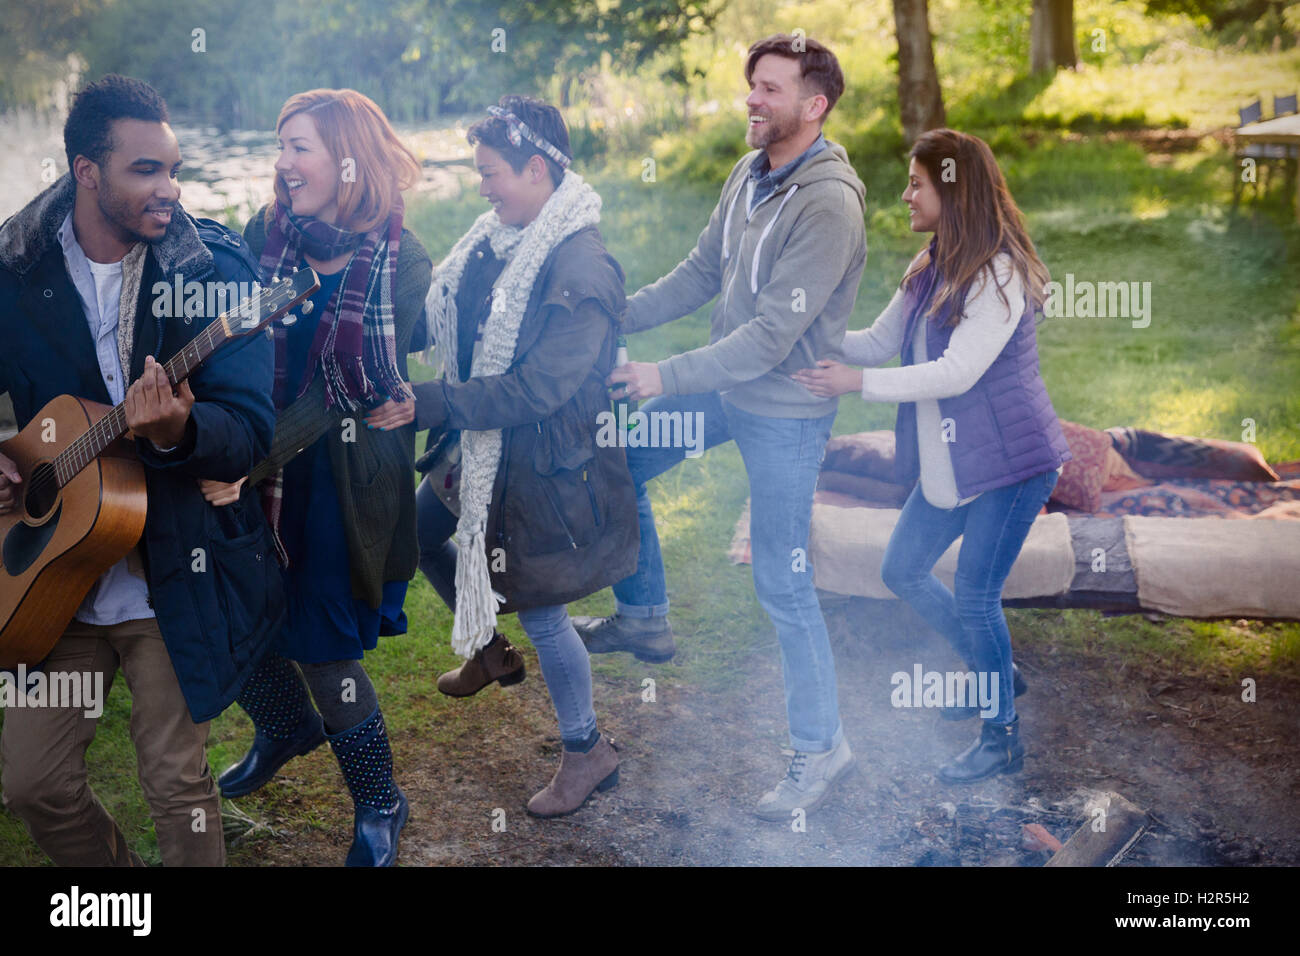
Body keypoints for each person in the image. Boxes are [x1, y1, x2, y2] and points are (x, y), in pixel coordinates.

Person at [573, 34, 867, 821]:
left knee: (781, 580)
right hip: (728, 394)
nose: (752, 100)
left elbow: (773, 335)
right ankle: (644, 618)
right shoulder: (751, 173)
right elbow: (704, 271)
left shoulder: (829, 202)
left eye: (769, 89)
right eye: (751, 86)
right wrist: (613, 317)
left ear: (815, 105)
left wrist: (663, 375)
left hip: (785, 415)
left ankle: (821, 748)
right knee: (623, 455)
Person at [0, 74, 281, 866]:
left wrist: (181, 427)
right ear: (87, 172)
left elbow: (251, 428)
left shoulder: (212, 270)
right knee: (33, 784)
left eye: (174, 168)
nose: (170, 189)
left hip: (172, 566)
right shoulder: (15, 270)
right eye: (145, 170)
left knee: (176, 784)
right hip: (51, 578)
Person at [792, 128, 1071, 783]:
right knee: (903, 567)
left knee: (976, 595)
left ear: (952, 188)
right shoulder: (933, 263)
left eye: (916, 183)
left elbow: (956, 372)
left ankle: (1001, 736)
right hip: (956, 464)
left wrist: (853, 383)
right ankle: (993, 667)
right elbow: (881, 339)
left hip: (1012, 465)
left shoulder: (999, 272)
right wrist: (811, 332)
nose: (905, 193)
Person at [198, 89, 433, 865]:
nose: (282, 162)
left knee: (324, 648)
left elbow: (349, 396)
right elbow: (233, 341)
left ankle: (378, 802)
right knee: (235, 614)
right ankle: (283, 726)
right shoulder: (268, 236)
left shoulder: (404, 260)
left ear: (345, 157)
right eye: (280, 144)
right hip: (253, 460)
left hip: (342, 476)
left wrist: (247, 464)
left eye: (298, 146)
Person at [411, 95, 638, 817]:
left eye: (491, 173)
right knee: (419, 527)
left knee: (542, 612)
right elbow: (446, 312)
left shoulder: (581, 265)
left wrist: (435, 401)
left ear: (536, 169)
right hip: (482, 449)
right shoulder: (496, 238)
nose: (482, 188)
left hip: (545, 465)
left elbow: (539, 390)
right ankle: (484, 650)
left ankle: (587, 751)